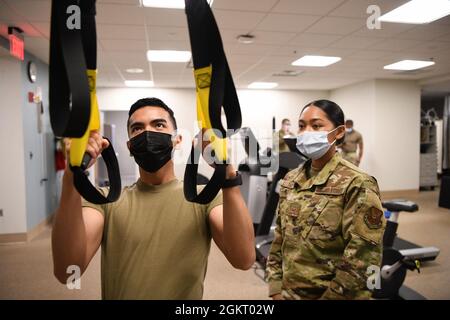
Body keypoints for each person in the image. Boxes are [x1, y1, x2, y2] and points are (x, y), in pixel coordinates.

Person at [52, 97, 255, 299]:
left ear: (177, 140)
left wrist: (227, 173)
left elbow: (244, 259)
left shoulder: (205, 199)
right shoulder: (106, 201)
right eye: (138, 128)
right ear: (130, 146)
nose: (148, 133)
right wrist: (72, 175)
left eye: (159, 125)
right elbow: (67, 271)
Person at [266, 100, 385, 300]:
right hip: (288, 293)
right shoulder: (291, 179)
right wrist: (275, 288)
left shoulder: (357, 183)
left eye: (317, 125)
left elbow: (364, 258)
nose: (306, 132)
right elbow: (280, 237)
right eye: (302, 126)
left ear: (338, 132)